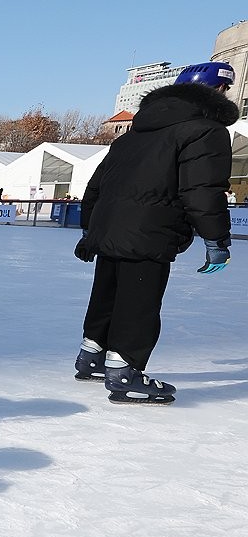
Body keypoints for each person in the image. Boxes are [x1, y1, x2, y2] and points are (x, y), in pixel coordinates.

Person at [73, 62, 237, 405]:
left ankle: (92, 355)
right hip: (151, 230)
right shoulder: (205, 130)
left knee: (108, 292)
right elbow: (203, 190)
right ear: (217, 91)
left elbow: (96, 185)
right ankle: (125, 373)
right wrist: (216, 239)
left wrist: (90, 229)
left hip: (110, 227)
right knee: (139, 302)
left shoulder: (135, 133)